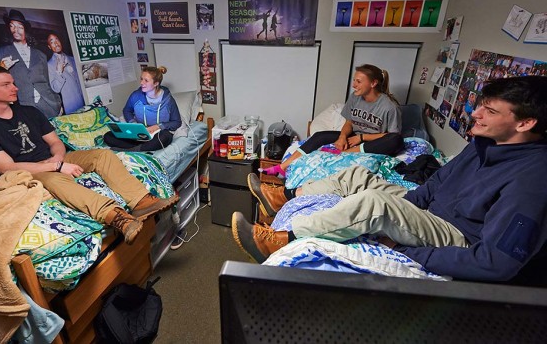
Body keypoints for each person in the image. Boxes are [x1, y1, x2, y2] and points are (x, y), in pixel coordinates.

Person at [233, 76, 547, 285]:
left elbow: (496, 262)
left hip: (457, 236)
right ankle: (287, 196)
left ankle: (284, 239)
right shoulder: (482, 144)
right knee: (355, 175)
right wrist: (404, 208)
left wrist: (407, 250)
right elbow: (436, 185)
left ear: (526, 122)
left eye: (489, 111)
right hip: (430, 214)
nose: (475, 114)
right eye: (479, 105)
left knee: (374, 204)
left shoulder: (532, 179)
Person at [0, 65, 179, 245]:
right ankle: (116, 216)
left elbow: (55, 142)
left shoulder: (28, 112)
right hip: (25, 171)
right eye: (6, 84)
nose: (15, 88)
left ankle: (142, 202)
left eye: (13, 82)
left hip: (52, 160)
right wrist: (55, 167)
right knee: (54, 179)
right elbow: (7, 168)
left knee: (102, 155)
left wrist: (57, 159)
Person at [261, 64, 403, 177]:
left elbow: (392, 136)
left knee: (396, 141)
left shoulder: (390, 107)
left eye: (358, 81)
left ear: (373, 83)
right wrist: (342, 137)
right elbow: (349, 122)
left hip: (374, 142)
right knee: (319, 136)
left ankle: (341, 154)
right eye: (354, 80)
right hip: (354, 137)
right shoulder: (355, 97)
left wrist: (361, 137)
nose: (354, 85)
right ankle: (282, 167)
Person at [0, 9, 62, 118]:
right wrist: (1, 69)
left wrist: (57, 103)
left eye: (20, 27)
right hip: (23, 111)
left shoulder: (41, 55)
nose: (15, 30)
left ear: (25, 30)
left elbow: (47, 83)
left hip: (49, 106)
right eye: (12, 26)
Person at [104, 66, 181, 152]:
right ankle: (141, 147)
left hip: (157, 134)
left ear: (156, 83)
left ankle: (133, 149)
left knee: (164, 137)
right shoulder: (136, 95)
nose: (141, 83)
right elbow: (127, 110)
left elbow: (176, 122)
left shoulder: (168, 100)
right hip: (140, 133)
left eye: (146, 80)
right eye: (141, 79)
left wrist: (158, 126)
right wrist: (133, 123)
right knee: (108, 136)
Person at [46, 32, 85, 114]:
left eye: (57, 39)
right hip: (71, 107)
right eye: (52, 42)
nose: (56, 43)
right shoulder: (49, 65)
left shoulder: (73, 59)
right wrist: (59, 72)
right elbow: (55, 88)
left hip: (85, 102)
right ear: (49, 47)